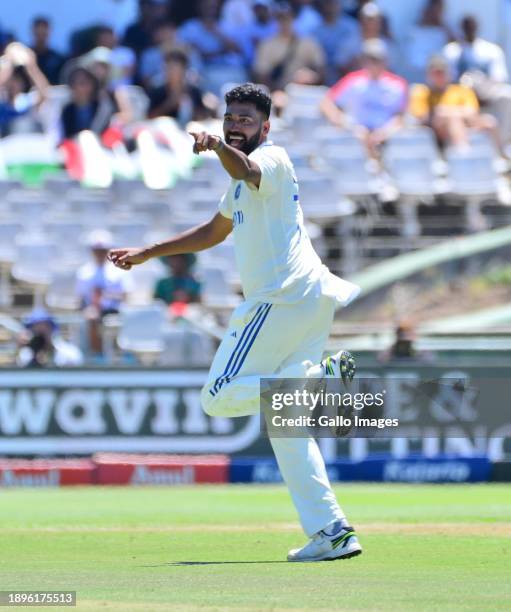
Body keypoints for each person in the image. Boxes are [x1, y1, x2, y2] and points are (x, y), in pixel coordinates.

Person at [109, 83, 362, 562]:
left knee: (218, 395)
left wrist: (217, 147)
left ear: (264, 128)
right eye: (230, 118)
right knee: (288, 427)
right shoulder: (239, 186)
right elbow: (211, 232)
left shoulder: (273, 160)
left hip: (281, 300)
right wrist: (147, 253)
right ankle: (332, 530)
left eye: (246, 120)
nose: (235, 125)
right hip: (307, 301)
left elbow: (245, 166)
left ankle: (318, 379)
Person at [320, 38, 407, 158]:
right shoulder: (353, 80)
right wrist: (344, 123)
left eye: (377, 59)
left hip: (385, 139)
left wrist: (383, 134)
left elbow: (400, 117)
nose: (373, 64)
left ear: (386, 61)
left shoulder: (397, 84)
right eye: (370, 59)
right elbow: (326, 103)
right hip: (353, 136)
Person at [409, 55, 506, 157]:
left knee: (489, 121)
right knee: (453, 119)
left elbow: (472, 113)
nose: (439, 76)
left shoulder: (461, 90)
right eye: (435, 73)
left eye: (442, 72)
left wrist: (446, 111)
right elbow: (421, 116)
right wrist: (450, 113)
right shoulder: (421, 92)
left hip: (466, 125)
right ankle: (464, 155)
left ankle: (501, 157)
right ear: (428, 75)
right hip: (435, 132)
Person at [442, 15, 511, 143]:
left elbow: (499, 78)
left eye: (471, 26)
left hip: (486, 92)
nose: (469, 30)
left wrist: (481, 88)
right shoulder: (451, 50)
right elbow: (446, 78)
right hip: (459, 93)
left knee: (507, 94)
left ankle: (503, 143)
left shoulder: (491, 50)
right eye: (466, 27)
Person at [76, 230, 131, 359]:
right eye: (97, 250)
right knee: (91, 317)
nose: (100, 253)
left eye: (103, 250)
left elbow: (126, 296)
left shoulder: (119, 270)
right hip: (93, 310)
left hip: (116, 309)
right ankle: (98, 354)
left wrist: (107, 296)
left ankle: (120, 354)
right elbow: (81, 299)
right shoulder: (84, 272)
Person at [178, 0, 249, 95]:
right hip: (203, 71)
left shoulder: (227, 25)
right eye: (207, 5)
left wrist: (216, 32)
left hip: (228, 70)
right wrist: (221, 51)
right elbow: (187, 52)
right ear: (200, 6)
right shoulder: (190, 26)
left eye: (213, 6)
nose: (210, 9)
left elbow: (238, 49)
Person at [254, 2, 325, 91]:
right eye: (281, 18)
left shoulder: (309, 42)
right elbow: (261, 75)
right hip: (278, 94)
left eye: (288, 18)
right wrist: (276, 91)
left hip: (304, 91)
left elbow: (321, 70)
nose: (284, 22)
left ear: (294, 19)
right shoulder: (267, 44)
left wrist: (312, 77)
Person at [147, 49, 210, 125]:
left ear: (183, 69)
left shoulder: (193, 90)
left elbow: (203, 118)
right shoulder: (157, 90)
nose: (170, 71)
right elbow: (149, 118)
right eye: (167, 67)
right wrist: (170, 104)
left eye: (174, 68)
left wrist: (190, 107)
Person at [0, 42, 49, 137]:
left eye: (17, 80)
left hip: (27, 145)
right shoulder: (2, 104)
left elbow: (44, 93)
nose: (13, 84)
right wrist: (8, 64)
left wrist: (31, 66)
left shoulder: (27, 101)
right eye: (11, 80)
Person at [312, 0, 361, 84]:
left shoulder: (352, 26)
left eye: (334, 3)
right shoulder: (315, 29)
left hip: (346, 73)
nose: (331, 7)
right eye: (328, 3)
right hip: (322, 74)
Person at [60, 66, 116, 139]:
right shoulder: (67, 110)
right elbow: (65, 136)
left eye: (87, 82)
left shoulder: (102, 107)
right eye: (80, 83)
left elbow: (100, 132)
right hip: (74, 146)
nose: (86, 86)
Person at [404, 0, 454, 83]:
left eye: (440, 10)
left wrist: (443, 24)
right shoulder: (415, 29)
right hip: (417, 73)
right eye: (435, 10)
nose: (437, 13)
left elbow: (455, 45)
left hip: (437, 73)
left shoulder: (443, 31)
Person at [17, 309, 83, 368]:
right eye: (36, 329)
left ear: (51, 329)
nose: (40, 332)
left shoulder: (68, 352)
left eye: (45, 327)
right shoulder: (25, 355)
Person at [30, 16, 64, 85]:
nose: (41, 36)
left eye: (43, 33)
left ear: (49, 32)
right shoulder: (24, 57)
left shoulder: (58, 59)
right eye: (38, 33)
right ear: (33, 31)